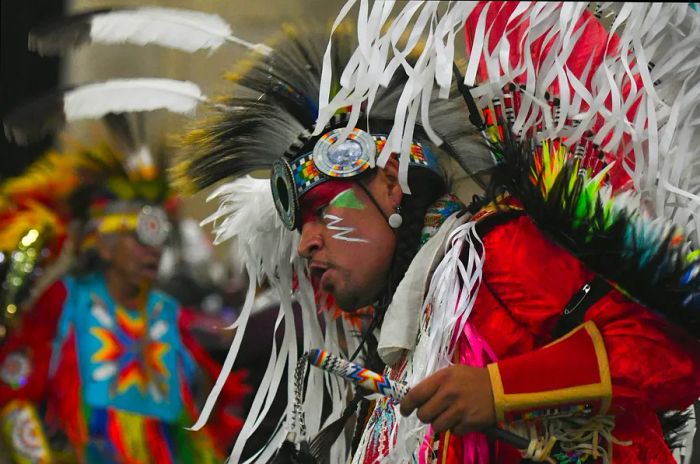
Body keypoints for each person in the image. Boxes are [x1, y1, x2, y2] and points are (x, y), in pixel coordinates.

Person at [180, 4, 700, 463]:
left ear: (389, 186)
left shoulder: (497, 250)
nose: (306, 242)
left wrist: (499, 388)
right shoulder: (405, 340)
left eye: (321, 211)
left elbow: (674, 352)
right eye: (301, 226)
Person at [0, 147, 245, 463]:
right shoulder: (65, 302)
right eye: (138, 237)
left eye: (159, 239)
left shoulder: (168, 313)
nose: (152, 251)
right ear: (103, 245)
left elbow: (204, 417)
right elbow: (14, 393)